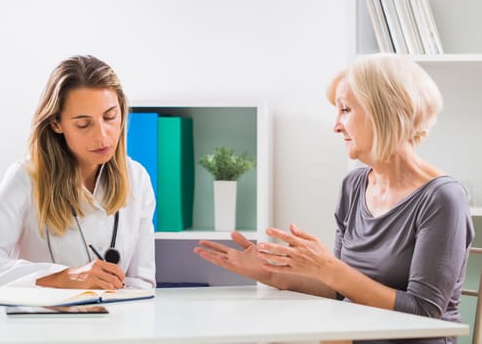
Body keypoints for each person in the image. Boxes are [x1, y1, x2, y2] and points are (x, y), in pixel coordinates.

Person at [194, 53, 474, 344]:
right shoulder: (353, 186)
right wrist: (273, 275)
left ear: (384, 112)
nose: (336, 125)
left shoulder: (442, 198)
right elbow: (341, 288)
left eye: (346, 110)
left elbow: (425, 313)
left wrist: (329, 268)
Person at [0, 55, 156, 294]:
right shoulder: (26, 178)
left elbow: (142, 284)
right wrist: (61, 277)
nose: (103, 136)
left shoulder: (137, 178)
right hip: (44, 326)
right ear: (56, 123)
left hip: (116, 324)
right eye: (83, 124)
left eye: (110, 117)